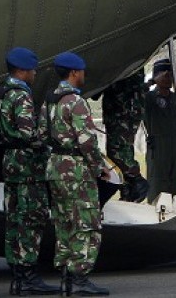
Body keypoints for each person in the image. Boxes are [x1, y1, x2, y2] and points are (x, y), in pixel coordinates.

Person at [42, 52, 110, 296]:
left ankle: (65, 277)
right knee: (86, 223)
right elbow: (87, 140)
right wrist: (98, 166)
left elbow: (41, 134)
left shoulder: (49, 100)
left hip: (55, 168)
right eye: (81, 71)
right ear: (74, 73)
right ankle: (79, 278)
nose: (83, 76)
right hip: (77, 170)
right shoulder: (75, 102)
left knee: (64, 222)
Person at [0, 47, 58, 295]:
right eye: (32, 70)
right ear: (22, 70)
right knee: (32, 219)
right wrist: (46, 144)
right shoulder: (21, 96)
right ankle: (28, 275)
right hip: (27, 165)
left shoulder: (1, 92)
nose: (34, 74)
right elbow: (28, 134)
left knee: (14, 219)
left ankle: (18, 276)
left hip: (10, 162)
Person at [100, 71, 148, 202]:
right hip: (119, 111)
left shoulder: (125, 62)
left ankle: (137, 181)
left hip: (123, 111)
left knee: (117, 151)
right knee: (120, 151)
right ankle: (127, 192)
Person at [144, 59, 176, 202]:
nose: (168, 78)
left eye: (170, 75)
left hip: (175, 147)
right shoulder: (149, 97)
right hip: (158, 147)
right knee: (157, 191)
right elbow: (135, 95)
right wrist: (152, 82)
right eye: (164, 75)